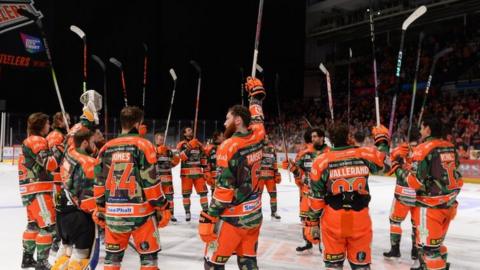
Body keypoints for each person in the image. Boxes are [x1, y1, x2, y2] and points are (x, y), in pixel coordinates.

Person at [198, 77, 266, 269]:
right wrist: (255, 99)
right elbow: (259, 120)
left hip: (232, 219)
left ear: (237, 120)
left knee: (212, 263)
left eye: (227, 118)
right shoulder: (258, 136)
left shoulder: (228, 146)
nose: (224, 122)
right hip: (254, 215)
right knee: (248, 262)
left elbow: (223, 191)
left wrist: (209, 216)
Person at [93, 106, 171, 270]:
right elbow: (151, 182)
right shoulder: (143, 145)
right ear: (138, 123)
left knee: (112, 261)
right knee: (148, 260)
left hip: (114, 214)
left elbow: (99, 182)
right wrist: (163, 206)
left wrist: (100, 207)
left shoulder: (106, 148)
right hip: (141, 215)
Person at [306, 124, 390, 269]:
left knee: (333, 265)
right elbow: (383, 163)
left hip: (334, 219)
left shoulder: (321, 161)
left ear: (330, 140)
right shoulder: (363, 153)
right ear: (349, 138)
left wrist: (312, 224)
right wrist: (382, 140)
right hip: (360, 219)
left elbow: (316, 198)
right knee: (361, 266)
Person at [390, 117, 463, 270]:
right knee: (436, 245)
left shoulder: (424, 149)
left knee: (429, 250)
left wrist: (398, 168)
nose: (421, 130)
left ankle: (434, 266)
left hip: (431, 208)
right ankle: (435, 266)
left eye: (423, 127)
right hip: (449, 205)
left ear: (428, 129)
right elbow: (456, 176)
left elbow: (415, 183)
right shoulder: (450, 147)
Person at [52, 130, 98, 270]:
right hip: (78, 216)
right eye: (92, 142)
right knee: (80, 256)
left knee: (65, 252)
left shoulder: (68, 153)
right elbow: (89, 197)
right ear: (85, 143)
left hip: (61, 212)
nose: (94, 145)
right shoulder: (89, 163)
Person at [19, 113, 59, 269]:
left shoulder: (29, 140)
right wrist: (59, 150)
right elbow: (50, 164)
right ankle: (42, 262)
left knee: (33, 225)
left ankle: (27, 258)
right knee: (47, 227)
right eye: (47, 123)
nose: (49, 126)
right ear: (41, 125)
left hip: (29, 189)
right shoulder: (37, 141)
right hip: (39, 189)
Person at [282, 127, 330, 254]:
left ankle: (323, 243)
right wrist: (291, 166)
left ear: (322, 138)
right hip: (307, 191)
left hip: (324, 193)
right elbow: (298, 171)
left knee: (323, 219)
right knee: (305, 218)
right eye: (312, 137)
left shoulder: (330, 152)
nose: (313, 139)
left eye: (315, 137)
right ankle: (307, 242)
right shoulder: (305, 153)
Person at [383, 128, 420, 262]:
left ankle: (395, 249)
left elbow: (387, 167)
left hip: (402, 193)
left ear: (405, 137)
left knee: (395, 221)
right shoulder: (424, 150)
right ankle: (416, 251)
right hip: (419, 194)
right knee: (417, 224)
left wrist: (394, 155)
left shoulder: (399, 150)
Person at [46, 112, 71, 252]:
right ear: (59, 122)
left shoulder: (59, 135)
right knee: (59, 209)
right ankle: (56, 239)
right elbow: (55, 160)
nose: (69, 122)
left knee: (60, 208)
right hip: (57, 179)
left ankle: (58, 237)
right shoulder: (56, 136)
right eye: (67, 120)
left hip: (59, 178)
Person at [177, 126, 209, 221]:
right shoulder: (181, 144)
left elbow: (203, 157)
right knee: (186, 194)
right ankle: (187, 212)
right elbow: (182, 157)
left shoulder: (198, 144)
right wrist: (190, 146)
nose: (191, 131)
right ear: (184, 134)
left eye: (191, 129)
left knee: (203, 193)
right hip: (186, 174)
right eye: (188, 130)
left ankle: (206, 211)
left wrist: (206, 169)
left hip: (198, 173)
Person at [155, 132, 180, 223]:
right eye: (159, 139)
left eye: (162, 139)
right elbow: (150, 162)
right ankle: (158, 215)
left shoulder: (168, 151)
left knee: (170, 197)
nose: (161, 141)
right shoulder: (152, 149)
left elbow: (174, 162)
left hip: (167, 178)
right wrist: (157, 153)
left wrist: (176, 160)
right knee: (157, 197)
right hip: (156, 179)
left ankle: (171, 214)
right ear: (156, 140)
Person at [259, 134, 282, 220]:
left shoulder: (272, 149)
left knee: (273, 195)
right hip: (260, 176)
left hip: (270, 177)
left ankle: (274, 212)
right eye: (265, 138)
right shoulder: (257, 148)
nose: (267, 139)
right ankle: (257, 212)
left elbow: (275, 162)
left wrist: (277, 173)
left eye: (268, 138)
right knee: (257, 196)